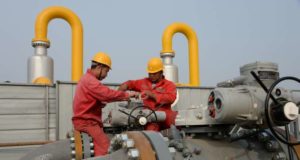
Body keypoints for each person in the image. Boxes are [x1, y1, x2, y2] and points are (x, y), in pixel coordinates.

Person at [72, 52, 137, 156]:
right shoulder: (91, 81)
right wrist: (127, 95)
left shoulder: (86, 79)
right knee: (105, 146)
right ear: (99, 67)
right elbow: (107, 94)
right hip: (87, 123)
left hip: (86, 121)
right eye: (106, 71)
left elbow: (101, 97)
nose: (106, 75)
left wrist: (99, 103)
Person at [118, 57, 177, 131]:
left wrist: (152, 95)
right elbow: (130, 83)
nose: (151, 76)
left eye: (154, 73)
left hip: (165, 116)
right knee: (150, 131)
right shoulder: (144, 82)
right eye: (150, 73)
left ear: (161, 72)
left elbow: (171, 98)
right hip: (149, 117)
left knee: (177, 125)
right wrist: (121, 91)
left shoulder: (169, 85)